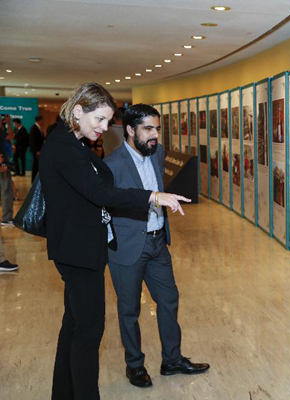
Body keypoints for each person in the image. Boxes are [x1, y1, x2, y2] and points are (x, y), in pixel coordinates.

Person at [39, 83, 190, 400]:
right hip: (78, 252)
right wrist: (152, 196)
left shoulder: (73, 143)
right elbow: (100, 193)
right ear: (78, 111)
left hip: (82, 250)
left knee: (74, 327)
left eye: (108, 121)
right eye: (100, 119)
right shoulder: (64, 147)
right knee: (89, 332)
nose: (105, 128)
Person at [104, 104, 209, 388]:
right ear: (130, 130)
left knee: (169, 300)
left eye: (157, 129)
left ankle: (172, 360)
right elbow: (110, 203)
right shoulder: (112, 165)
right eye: (148, 129)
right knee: (129, 310)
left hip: (158, 242)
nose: (155, 135)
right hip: (128, 246)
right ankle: (134, 365)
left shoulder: (157, 153)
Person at [0, 115, 14, 226]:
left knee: (6, 190)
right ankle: (6, 218)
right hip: (2, 163)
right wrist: (9, 123)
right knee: (6, 190)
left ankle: (7, 218)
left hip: (3, 161)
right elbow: (10, 136)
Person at [30, 115, 45, 182]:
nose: (43, 122)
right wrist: (37, 151)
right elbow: (33, 140)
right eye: (42, 120)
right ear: (40, 120)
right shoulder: (34, 128)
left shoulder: (39, 128)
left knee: (37, 165)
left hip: (39, 150)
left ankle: (36, 180)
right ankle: (34, 180)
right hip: (36, 151)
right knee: (35, 166)